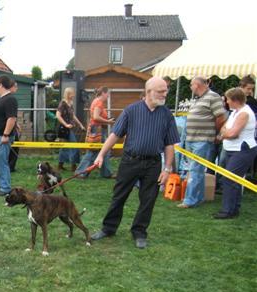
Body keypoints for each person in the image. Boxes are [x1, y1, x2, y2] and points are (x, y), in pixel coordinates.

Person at [90, 77, 179, 249]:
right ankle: (108, 228)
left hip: (153, 164)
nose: (165, 94)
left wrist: (167, 168)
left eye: (165, 91)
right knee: (119, 196)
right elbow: (115, 135)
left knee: (148, 200)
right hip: (130, 161)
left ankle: (139, 232)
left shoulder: (167, 115)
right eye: (161, 91)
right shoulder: (131, 111)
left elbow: (170, 144)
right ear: (149, 92)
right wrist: (101, 155)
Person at [178, 76, 226, 208]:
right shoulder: (198, 99)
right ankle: (198, 197)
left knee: (195, 170)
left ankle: (189, 200)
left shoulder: (213, 97)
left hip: (202, 139)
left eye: (191, 85)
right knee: (196, 170)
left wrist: (215, 133)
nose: (190, 87)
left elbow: (221, 117)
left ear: (197, 85)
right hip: (192, 138)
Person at [212, 87, 257, 219]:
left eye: (228, 99)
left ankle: (227, 210)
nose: (226, 102)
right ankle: (233, 209)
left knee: (229, 179)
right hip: (232, 149)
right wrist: (226, 132)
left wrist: (224, 134)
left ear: (235, 100)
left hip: (242, 150)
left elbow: (232, 133)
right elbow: (225, 128)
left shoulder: (244, 113)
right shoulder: (234, 112)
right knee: (233, 180)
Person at [76, 86, 115, 178]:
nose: (108, 95)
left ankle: (106, 173)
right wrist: (108, 121)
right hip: (97, 130)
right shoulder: (98, 103)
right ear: (103, 93)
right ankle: (81, 172)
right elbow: (96, 117)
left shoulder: (97, 101)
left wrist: (107, 120)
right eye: (108, 93)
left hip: (97, 129)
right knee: (93, 152)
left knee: (104, 150)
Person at [56, 87, 85, 172]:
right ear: (68, 94)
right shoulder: (63, 103)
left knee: (64, 147)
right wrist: (66, 124)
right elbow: (58, 115)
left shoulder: (70, 103)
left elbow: (73, 115)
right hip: (64, 129)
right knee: (74, 145)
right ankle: (73, 165)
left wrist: (80, 125)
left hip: (70, 128)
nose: (74, 95)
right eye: (72, 93)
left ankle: (60, 165)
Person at [8, 81, 21, 173]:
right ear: (11, 87)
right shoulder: (10, 99)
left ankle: (11, 167)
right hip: (9, 129)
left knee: (15, 147)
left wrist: (16, 124)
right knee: (13, 148)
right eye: (15, 87)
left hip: (13, 127)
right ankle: (10, 167)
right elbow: (10, 116)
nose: (17, 88)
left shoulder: (10, 98)